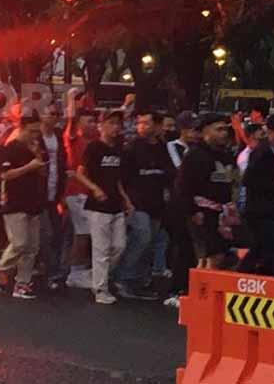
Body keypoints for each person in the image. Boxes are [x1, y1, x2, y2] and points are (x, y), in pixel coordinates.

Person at [77, 110, 134, 304]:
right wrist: (95, 189)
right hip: (98, 205)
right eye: (111, 123)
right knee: (101, 248)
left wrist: (126, 199)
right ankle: (100, 289)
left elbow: (117, 179)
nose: (115, 127)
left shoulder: (118, 149)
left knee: (119, 245)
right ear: (101, 125)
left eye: (118, 124)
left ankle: (95, 276)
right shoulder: (94, 147)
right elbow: (80, 173)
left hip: (116, 204)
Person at [0, 117, 47, 299]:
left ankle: (22, 284)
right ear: (21, 129)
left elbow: (42, 171)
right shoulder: (10, 149)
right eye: (31, 131)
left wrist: (37, 157)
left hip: (33, 201)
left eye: (37, 131)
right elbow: (6, 175)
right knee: (20, 242)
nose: (34, 135)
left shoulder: (35, 148)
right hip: (14, 202)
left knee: (32, 248)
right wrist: (29, 166)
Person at [118, 109, 172, 299]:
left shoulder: (161, 147)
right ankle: (123, 278)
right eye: (139, 123)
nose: (141, 127)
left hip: (156, 202)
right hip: (136, 202)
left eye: (146, 123)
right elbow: (120, 177)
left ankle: (141, 280)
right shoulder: (132, 147)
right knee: (142, 236)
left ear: (157, 126)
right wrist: (125, 200)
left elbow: (168, 174)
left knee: (151, 243)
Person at [177, 113, 239, 271]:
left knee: (226, 257)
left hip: (223, 214)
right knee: (210, 257)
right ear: (206, 131)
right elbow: (184, 186)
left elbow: (232, 182)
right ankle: (199, 291)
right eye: (218, 129)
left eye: (225, 129)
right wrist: (193, 211)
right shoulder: (195, 155)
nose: (223, 133)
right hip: (202, 213)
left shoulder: (227, 156)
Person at [238, 114, 274, 277]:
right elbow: (249, 179)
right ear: (270, 130)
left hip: (271, 207)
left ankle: (238, 276)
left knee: (260, 248)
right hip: (260, 209)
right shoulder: (263, 151)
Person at [63, 110, 98, 289]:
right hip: (76, 193)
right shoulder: (73, 138)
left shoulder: (95, 142)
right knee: (83, 232)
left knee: (81, 233)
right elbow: (70, 120)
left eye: (94, 121)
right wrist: (70, 100)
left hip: (87, 193)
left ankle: (76, 269)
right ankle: (75, 273)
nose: (93, 124)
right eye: (89, 121)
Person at [37, 104, 68, 290]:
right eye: (51, 114)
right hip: (39, 193)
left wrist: (61, 193)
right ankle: (51, 271)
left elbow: (62, 164)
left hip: (54, 191)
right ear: (42, 115)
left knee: (57, 232)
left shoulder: (57, 136)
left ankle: (50, 268)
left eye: (58, 114)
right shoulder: (36, 137)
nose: (55, 117)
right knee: (45, 233)